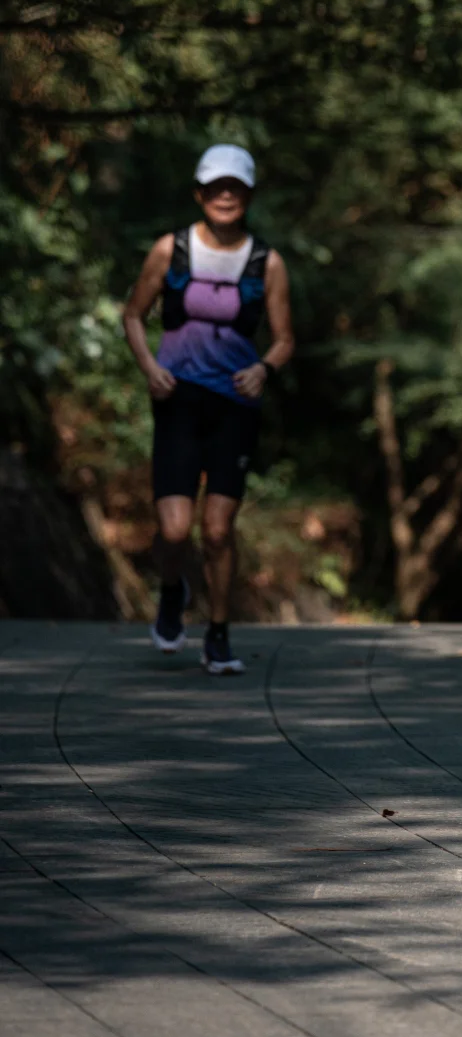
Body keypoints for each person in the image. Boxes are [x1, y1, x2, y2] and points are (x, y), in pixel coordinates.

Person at [122, 145, 294, 674]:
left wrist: (264, 368)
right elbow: (132, 315)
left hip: (234, 403)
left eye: (235, 187)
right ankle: (172, 591)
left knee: (218, 529)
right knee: (174, 530)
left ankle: (218, 635)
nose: (225, 195)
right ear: (200, 193)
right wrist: (150, 367)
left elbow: (285, 339)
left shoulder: (267, 262)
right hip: (177, 397)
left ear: (247, 196)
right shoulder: (169, 249)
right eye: (216, 186)